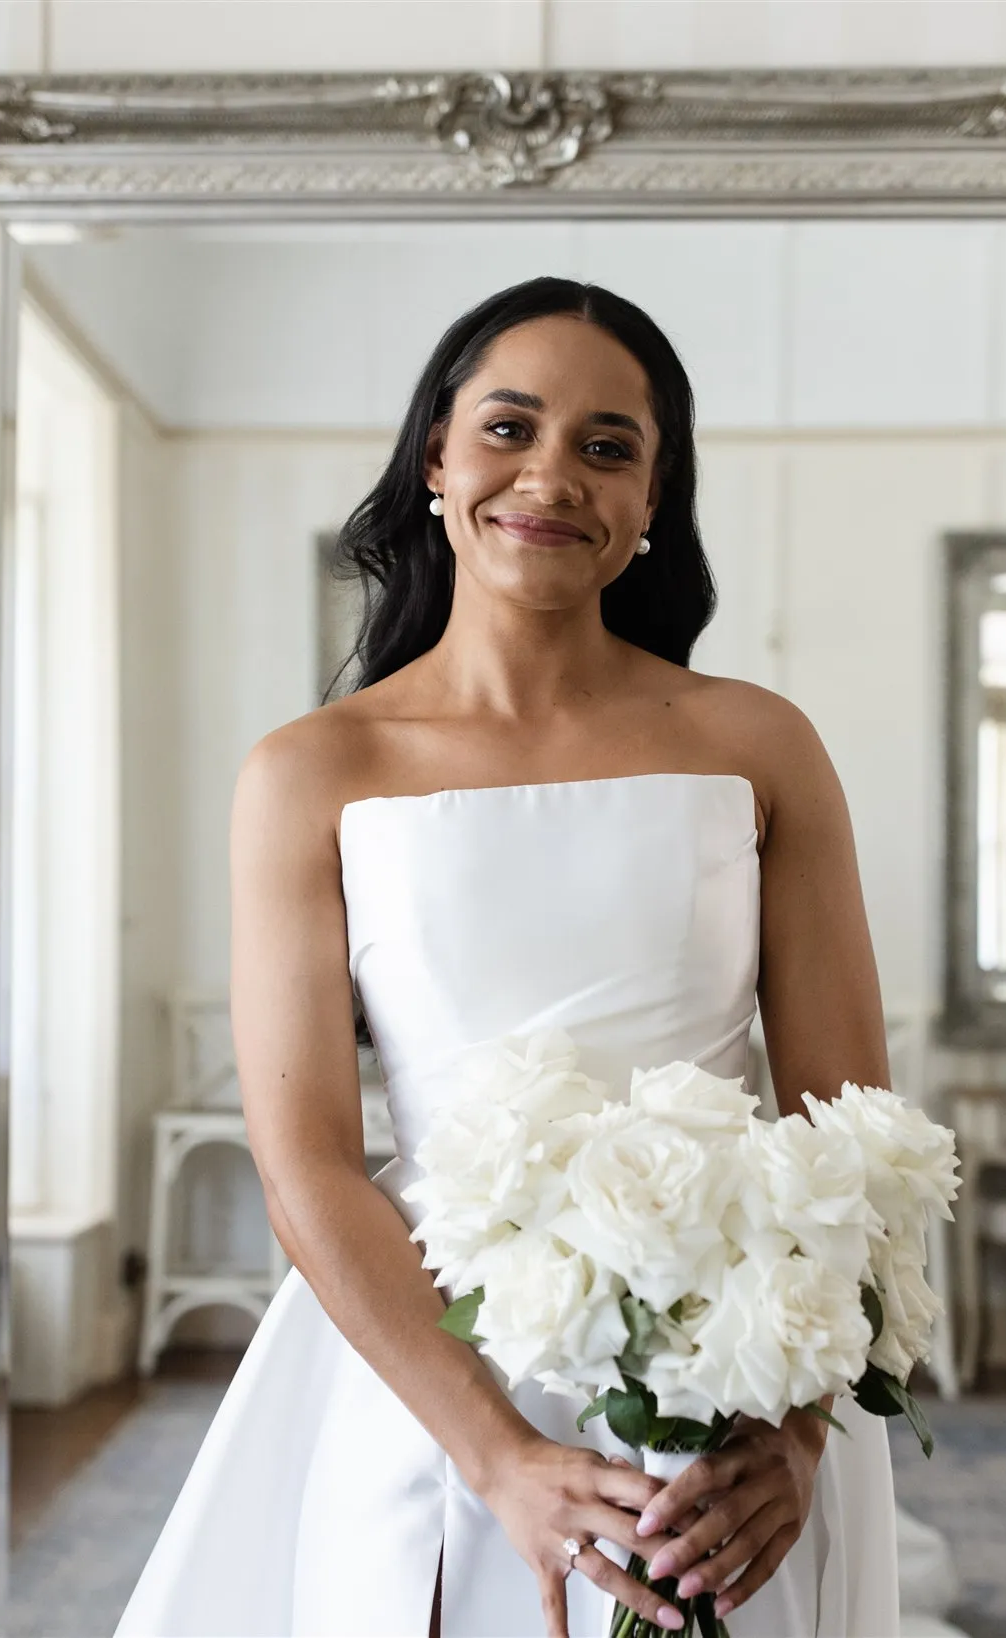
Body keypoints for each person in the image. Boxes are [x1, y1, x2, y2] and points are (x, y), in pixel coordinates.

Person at [115, 277, 899, 1638]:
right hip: (429, 1381)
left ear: (655, 501)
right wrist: (497, 1455)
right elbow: (306, 1161)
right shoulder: (312, 772)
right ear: (435, 456)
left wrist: (798, 1431)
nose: (551, 474)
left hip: (727, 1396)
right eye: (509, 427)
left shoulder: (759, 746)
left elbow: (850, 1129)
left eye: (608, 446)